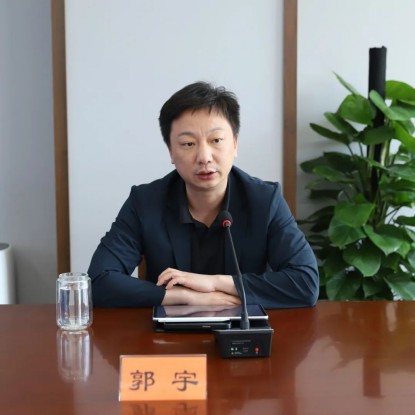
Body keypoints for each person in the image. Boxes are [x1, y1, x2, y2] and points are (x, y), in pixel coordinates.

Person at [88, 81, 319, 308]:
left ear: (235, 144)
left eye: (216, 140)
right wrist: (185, 296)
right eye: (188, 144)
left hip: (245, 328)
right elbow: (98, 280)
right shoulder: (145, 202)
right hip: (167, 330)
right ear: (171, 151)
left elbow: (305, 283)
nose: (204, 157)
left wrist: (214, 283)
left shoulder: (265, 200)